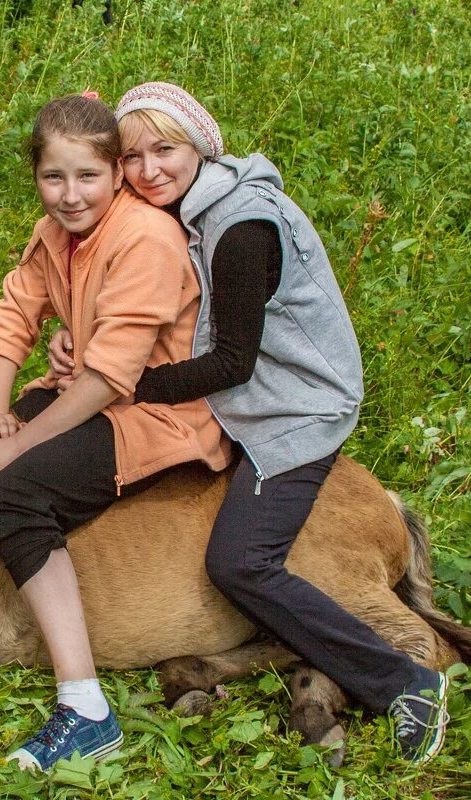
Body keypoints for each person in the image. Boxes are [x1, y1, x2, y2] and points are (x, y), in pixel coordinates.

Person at [47, 81, 450, 764]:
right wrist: (80, 344)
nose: (148, 171)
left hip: (290, 413)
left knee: (241, 561)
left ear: (201, 145)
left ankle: (406, 682)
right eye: (134, 156)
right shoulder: (188, 209)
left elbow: (232, 361)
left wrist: (116, 383)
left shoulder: (240, 226)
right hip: (242, 403)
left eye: (164, 150)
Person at [0, 93, 232, 771]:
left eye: (87, 177)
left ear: (116, 174)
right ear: (36, 176)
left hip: (156, 415)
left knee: (13, 490)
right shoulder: (55, 233)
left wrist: (16, 446)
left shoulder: (146, 239)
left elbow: (110, 378)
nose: (69, 196)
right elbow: (16, 311)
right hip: (89, 392)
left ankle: (86, 708)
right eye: (53, 177)